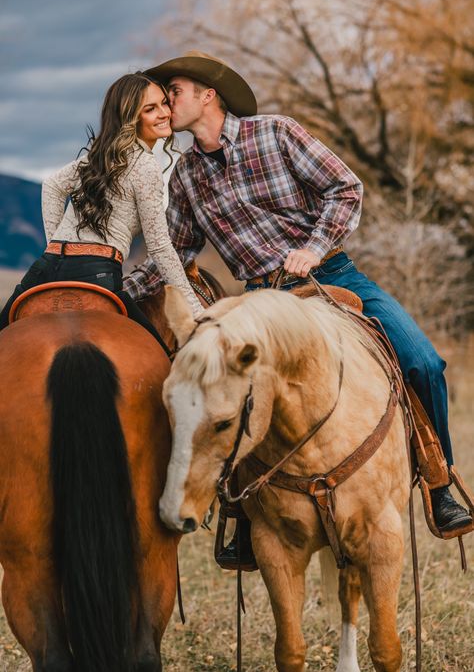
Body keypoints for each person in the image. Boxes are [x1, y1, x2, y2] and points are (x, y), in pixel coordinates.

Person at [123, 51, 471, 562]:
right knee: (230, 394)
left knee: (422, 360)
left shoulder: (276, 133)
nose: (165, 103)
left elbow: (345, 188)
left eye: (173, 91)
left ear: (207, 95)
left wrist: (312, 245)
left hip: (330, 272)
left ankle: (440, 485)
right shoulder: (186, 177)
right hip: (262, 298)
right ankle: (244, 517)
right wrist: (115, 290)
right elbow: (172, 253)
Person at [0, 72, 203, 343]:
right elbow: (159, 246)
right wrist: (195, 307)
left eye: (164, 103)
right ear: (130, 117)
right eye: (150, 109)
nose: (164, 113)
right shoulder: (145, 166)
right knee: (157, 357)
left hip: (45, 269)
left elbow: (52, 185)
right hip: (97, 273)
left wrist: (54, 246)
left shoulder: (96, 157)